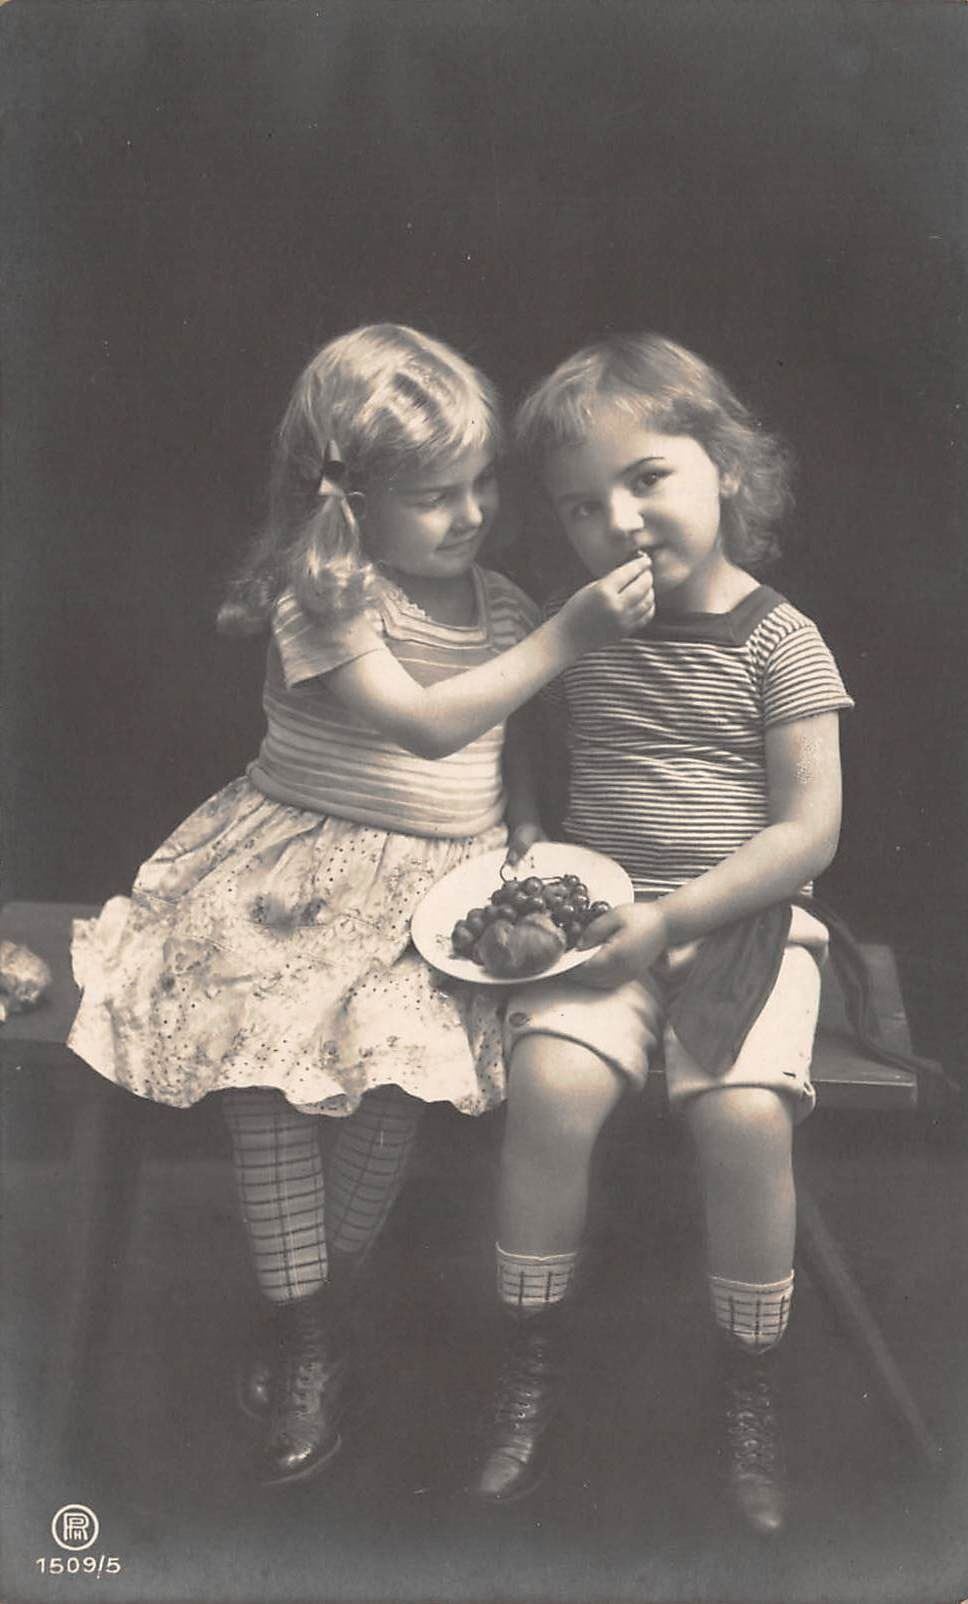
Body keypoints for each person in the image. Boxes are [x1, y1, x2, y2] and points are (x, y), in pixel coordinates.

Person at [68, 323, 655, 1488]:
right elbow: (429, 724)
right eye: (436, 496)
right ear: (347, 502)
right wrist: (570, 633)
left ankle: (313, 1310)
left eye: (483, 483)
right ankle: (303, 1326)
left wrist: (523, 818)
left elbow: (497, 734)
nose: (473, 513)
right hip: (295, 871)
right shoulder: (328, 597)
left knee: (399, 1076)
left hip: (435, 889)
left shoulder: (500, 605)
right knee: (259, 1058)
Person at [467, 333, 854, 1535]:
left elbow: (810, 831)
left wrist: (678, 916)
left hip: (736, 919)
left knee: (743, 1116)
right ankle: (528, 1361)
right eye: (582, 505)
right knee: (548, 1087)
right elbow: (521, 736)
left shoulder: (780, 639)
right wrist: (526, 829)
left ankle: (750, 1381)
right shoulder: (580, 627)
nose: (620, 522)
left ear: (727, 466)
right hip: (599, 917)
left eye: (647, 479)